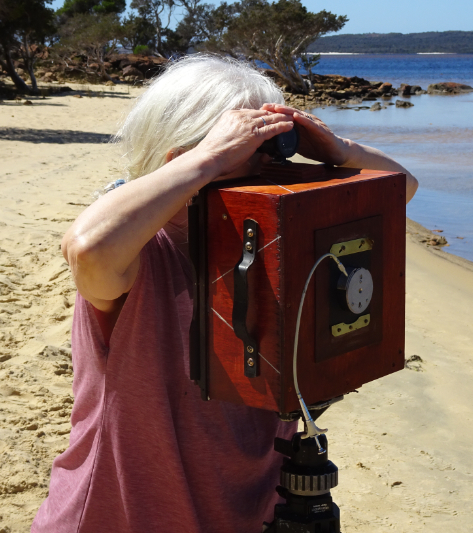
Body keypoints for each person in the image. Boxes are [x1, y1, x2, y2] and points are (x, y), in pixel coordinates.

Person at [31, 54, 418, 533]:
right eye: (246, 150)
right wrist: (210, 157)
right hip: (123, 513)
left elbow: (399, 190)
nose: (266, 167)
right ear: (182, 157)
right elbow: (88, 249)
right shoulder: (142, 251)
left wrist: (340, 150)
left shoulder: (276, 237)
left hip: (247, 507)